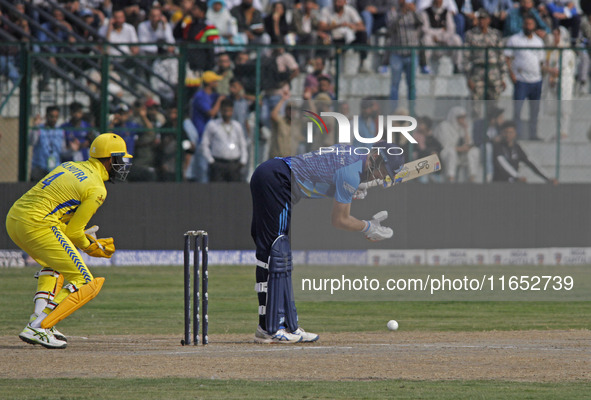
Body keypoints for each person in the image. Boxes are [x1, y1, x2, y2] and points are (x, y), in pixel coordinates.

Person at [250, 142, 404, 343]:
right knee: (275, 251)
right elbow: (340, 219)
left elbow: (323, 168)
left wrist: (352, 186)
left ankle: (288, 325)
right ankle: (270, 328)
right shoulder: (350, 173)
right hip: (277, 180)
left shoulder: (355, 152)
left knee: (279, 253)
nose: (381, 177)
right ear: (376, 156)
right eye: (384, 171)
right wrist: (369, 227)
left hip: (274, 174)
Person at [6, 133, 132, 349]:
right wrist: (93, 246)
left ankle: (41, 318)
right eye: (120, 160)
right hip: (39, 224)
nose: (123, 165)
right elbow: (75, 233)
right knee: (84, 281)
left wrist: (75, 235)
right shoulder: (97, 189)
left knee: (55, 266)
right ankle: (39, 326)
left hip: (15, 219)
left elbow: (58, 214)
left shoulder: (70, 165)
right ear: (109, 159)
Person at [505, 15, 547, 141]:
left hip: (536, 81)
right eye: (526, 23)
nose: (528, 26)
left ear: (534, 26)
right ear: (523, 25)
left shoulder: (538, 41)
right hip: (521, 80)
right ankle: (516, 135)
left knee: (534, 111)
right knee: (517, 110)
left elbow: (541, 62)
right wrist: (511, 74)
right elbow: (507, 57)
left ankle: (533, 134)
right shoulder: (515, 39)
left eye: (531, 24)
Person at [463, 9, 508, 101]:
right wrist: (468, 78)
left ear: (489, 20)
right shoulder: (470, 35)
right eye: (480, 19)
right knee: (476, 102)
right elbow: (466, 57)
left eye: (484, 19)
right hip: (478, 71)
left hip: (493, 71)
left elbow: (501, 56)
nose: (481, 21)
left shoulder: (496, 34)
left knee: (494, 103)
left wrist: (503, 77)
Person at [493, 120, 557, 183]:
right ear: (502, 133)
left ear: (515, 133)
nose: (508, 135)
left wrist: (548, 178)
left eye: (510, 132)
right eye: (506, 132)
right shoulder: (498, 147)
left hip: (513, 183)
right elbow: (503, 164)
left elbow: (531, 163)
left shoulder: (517, 148)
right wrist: (517, 176)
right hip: (500, 184)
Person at [190, 70, 226, 182]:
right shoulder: (200, 96)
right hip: (201, 135)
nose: (217, 84)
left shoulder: (213, 95)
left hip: (212, 136)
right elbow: (211, 113)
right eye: (215, 81)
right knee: (203, 168)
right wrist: (219, 101)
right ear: (210, 83)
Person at [200, 98, 248, 181]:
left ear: (232, 111)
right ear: (221, 111)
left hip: (234, 164)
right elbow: (204, 144)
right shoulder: (213, 125)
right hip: (218, 163)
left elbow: (242, 144)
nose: (227, 113)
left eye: (229, 111)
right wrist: (211, 161)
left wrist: (243, 161)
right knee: (218, 191)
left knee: (234, 191)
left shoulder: (237, 126)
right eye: (225, 111)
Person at [387, 0, 423, 108]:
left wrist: (414, 11)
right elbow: (391, 27)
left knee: (411, 85)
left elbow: (422, 22)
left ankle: (412, 110)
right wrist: (401, 14)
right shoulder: (393, 12)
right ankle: (393, 111)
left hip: (412, 54)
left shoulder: (414, 13)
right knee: (394, 85)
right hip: (397, 54)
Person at [318, 0, 369, 73]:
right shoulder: (326, 10)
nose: (337, 4)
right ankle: (330, 62)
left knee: (362, 34)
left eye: (340, 2)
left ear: (344, 2)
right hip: (333, 38)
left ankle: (362, 62)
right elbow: (321, 27)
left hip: (348, 39)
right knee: (325, 37)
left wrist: (352, 26)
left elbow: (362, 27)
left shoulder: (350, 10)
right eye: (335, 2)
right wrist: (338, 25)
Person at [434, 106, 480, 182]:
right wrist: (460, 149)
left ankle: (472, 178)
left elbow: (469, 143)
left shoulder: (464, 127)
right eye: (460, 117)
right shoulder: (444, 126)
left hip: (462, 154)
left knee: (474, 151)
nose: (463, 119)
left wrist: (465, 130)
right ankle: (451, 178)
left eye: (464, 117)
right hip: (447, 153)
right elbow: (445, 146)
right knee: (451, 153)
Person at [421, 0, 464, 74]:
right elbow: (425, 29)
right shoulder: (426, 12)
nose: (438, 2)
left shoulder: (446, 12)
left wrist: (440, 37)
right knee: (426, 39)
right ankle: (426, 66)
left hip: (445, 42)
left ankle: (457, 65)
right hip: (432, 41)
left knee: (457, 39)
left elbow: (451, 29)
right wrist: (440, 31)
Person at [30, 106, 67, 182]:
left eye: (56, 117)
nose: (54, 119)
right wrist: (35, 127)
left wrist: (72, 150)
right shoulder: (39, 129)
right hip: (40, 166)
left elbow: (63, 150)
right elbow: (31, 141)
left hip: (55, 168)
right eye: (52, 116)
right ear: (46, 116)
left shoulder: (60, 131)